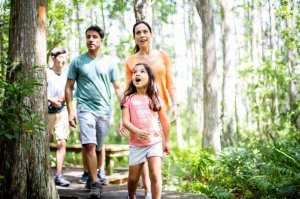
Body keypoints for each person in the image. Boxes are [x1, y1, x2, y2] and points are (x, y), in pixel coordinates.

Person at [120, 20, 179, 199]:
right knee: (142, 148)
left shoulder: (162, 56)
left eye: (145, 31)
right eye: (138, 33)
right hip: (137, 111)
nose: (142, 35)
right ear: (134, 37)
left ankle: (152, 193)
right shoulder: (131, 61)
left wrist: (175, 104)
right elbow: (127, 89)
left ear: (151, 34)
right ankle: (146, 191)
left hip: (159, 109)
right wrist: (122, 117)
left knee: (155, 153)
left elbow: (170, 83)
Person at [65, 25, 123, 198]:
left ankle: (94, 175)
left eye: (95, 37)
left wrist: (125, 111)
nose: (91, 39)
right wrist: (70, 111)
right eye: (88, 36)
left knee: (98, 146)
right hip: (84, 108)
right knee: (89, 145)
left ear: (101, 40)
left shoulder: (110, 62)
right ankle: (95, 183)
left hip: (104, 110)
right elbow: (69, 87)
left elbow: (119, 89)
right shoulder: (77, 61)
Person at [121, 63, 170, 199]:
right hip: (136, 145)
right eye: (135, 72)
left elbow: (165, 122)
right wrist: (136, 131)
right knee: (133, 179)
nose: (137, 74)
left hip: (154, 141)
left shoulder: (155, 99)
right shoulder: (128, 99)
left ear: (150, 78)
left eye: (142, 72)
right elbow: (125, 121)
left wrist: (167, 141)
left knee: (155, 174)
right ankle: (131, 195)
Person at [47, 47, 70, 187]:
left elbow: (71, 92)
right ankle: (46, 172)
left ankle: (59, 175)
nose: (62, 60)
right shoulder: (46, 73)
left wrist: (61, 99)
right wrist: (51, 100)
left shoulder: (67, 75)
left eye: (64, 57)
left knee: (62, 142)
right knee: (45, 143)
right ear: (53, 58)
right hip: (46, 112)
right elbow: (38, 91)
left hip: (63, 112)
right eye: (59, 57)